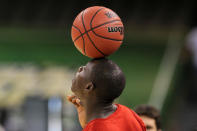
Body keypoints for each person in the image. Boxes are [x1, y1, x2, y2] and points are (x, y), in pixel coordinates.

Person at [67, 58, 146, 131]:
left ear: (89, 87)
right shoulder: (129, 114)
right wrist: (87, 125)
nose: (80, 68)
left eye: (84, 69)